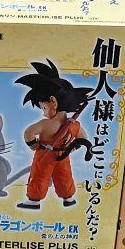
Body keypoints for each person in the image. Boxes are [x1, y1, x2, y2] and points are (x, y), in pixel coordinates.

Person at [15, 60, 93, 210]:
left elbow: (28, 133)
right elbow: (83, 139)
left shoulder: (45, 124)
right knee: (64, 175)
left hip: (45, 154)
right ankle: (68, 197)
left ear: (53, 102)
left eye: (44, 108)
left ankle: (34, 200)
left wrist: (34, 145)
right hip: (63, 155)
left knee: (39, 175)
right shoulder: (75, 125)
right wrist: (70, 149)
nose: (44, 113)